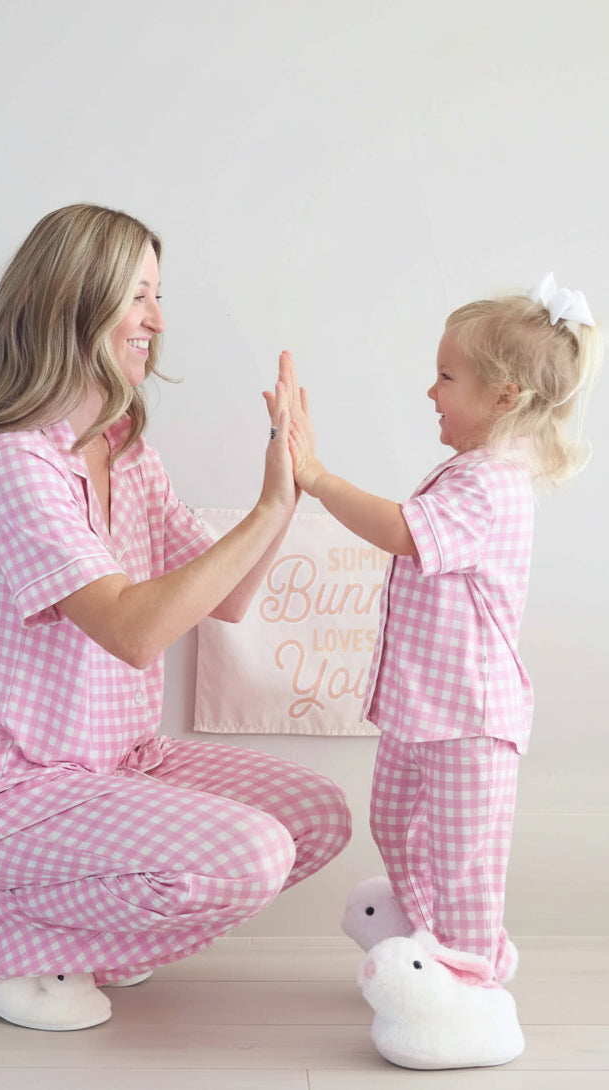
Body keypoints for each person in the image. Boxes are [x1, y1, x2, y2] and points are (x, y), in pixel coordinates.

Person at [0, 203, 351, 1032]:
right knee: (249, 853)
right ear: (72, 300)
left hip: (117, 767)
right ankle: (16, 935)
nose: (157, 321)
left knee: (316, 816)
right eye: (137, 295)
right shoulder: (11, 460)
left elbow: (231, 598)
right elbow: (131, 630)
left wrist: (288, 482)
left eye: (158, 296)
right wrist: (265, 508)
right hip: (12, 796)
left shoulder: (127, 448)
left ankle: (89, 941)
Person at [285, 273, 602, 1068]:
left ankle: (471, 979)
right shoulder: (465, 471)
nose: (430, 391)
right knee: (394, 824)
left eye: (446, 377)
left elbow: (399, 532)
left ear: (503, 396)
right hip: (419, 709)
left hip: (468, 717)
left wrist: (314, 475)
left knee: (464, 862)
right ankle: (433, 945)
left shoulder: (492, 485)